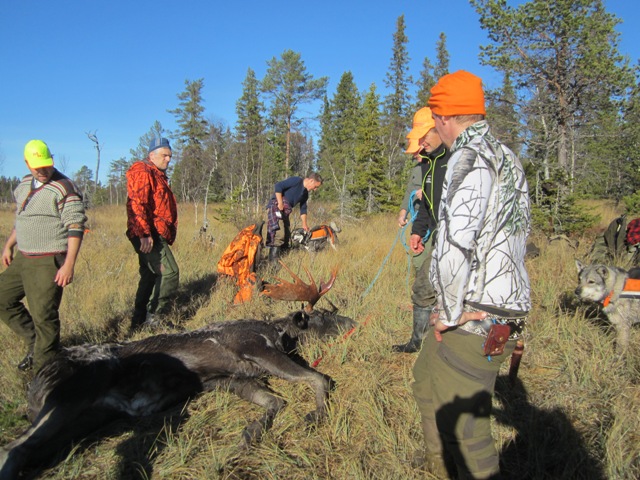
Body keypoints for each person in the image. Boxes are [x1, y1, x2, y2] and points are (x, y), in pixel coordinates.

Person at [412, 70, 531, 479]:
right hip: (489, 305)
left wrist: (448, 310)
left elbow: (453, 245)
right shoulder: (508, 158)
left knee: (468, 430)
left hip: (477, 312)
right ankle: (438, 468)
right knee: (425, 381)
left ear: (444, 117)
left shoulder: (467, 157)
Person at [0, 139, 86, 371]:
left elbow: (76, 226)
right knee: (3, 298)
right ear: (27, 163)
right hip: (23, 257)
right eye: (37, 165)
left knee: (44, 318)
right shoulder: (24, 184)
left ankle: (44, 376)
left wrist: (68, 264)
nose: (42, 170)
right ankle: (34, 342)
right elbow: (22, 218)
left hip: (48, 260)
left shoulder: (64, 188)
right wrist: (9, 245)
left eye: (46, 164)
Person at [393, 107, 450, 353]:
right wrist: (417, 230)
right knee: (423, 288)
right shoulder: (429, 164)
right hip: (437, 240)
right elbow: (427, 204)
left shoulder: (457, 158)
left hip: (462, 246)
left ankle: (446, 346)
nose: (421, 144)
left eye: (424, 135)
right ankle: (418, 342)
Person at [126, 137, 179, 330]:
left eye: (170, 156)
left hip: (152, 232)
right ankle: (156, 319)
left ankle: (138, 321)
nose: (168, 160)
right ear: (151, 155)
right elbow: (137, 203)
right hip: (149, 234)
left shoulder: (157, 175)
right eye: (164, 155)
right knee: (169, 273)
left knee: (149, 275)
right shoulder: (143, 171)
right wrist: (144, 233)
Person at [265, 173, 323, 261]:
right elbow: (278, 186)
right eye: (315, 187)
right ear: (311, 181)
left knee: (286, 236)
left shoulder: (305, 194)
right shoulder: (296, 180)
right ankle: (272, 264)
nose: (315, 190)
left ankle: (282, 260)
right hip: (275, 207)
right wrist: (280, 202)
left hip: (285, 212)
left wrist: (304, 224)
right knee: (278, 234)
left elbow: (303, 209)